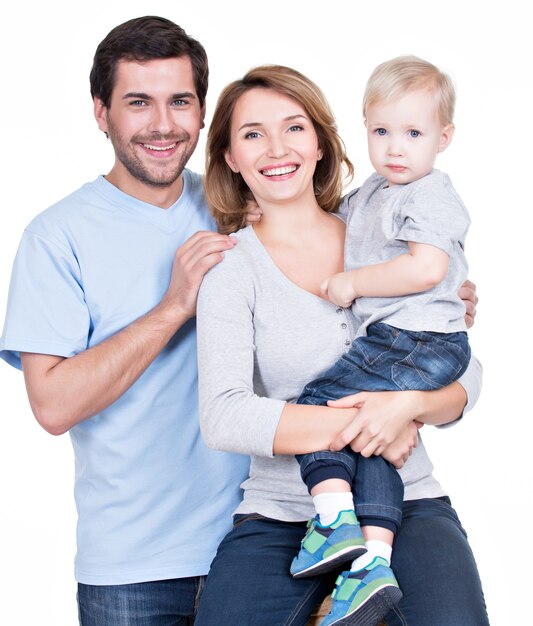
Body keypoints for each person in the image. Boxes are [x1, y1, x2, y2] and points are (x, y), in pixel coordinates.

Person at [194, 64, 489, 625]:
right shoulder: (232, 269)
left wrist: (410, 408)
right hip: (283, 513)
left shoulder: (382, 231)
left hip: (407, 499)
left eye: (294, 127)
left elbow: (465, 370)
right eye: (253, 134)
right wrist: (372, 424)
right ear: (231, 157)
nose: (277, 148)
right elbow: (224, 417)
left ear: (322, 143)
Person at [0, 15, 251, 625]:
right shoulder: (56, 237)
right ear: (101, 112)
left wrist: (424, 287)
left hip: (258, 547)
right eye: (138, 102)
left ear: (202, 110)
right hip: (131, 572)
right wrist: (173, 307)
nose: (162, 125)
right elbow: (53, 406)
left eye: (179, 102)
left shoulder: (240, 204)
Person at [286, 55, 472, 623]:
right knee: (365, 440)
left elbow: (423, 271)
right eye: (382, 131)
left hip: (415, 341)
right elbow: (326, 222)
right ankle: (371, 563)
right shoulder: (371, 193)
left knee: (315, 408)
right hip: (402, 340)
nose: (396, 148)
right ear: (364, 127)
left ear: (443, 138)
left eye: (413, 134)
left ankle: (335, 524)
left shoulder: (429, 195)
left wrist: (350, 284)